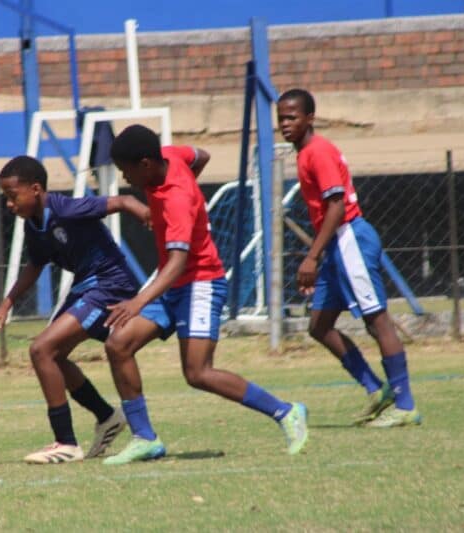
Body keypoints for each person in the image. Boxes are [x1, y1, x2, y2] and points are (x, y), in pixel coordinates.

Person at [102, 125, 309, 465]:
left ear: (144, 164)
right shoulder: (169, 156)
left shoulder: (177, 199)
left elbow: (179, 262)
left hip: (199, 283)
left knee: (198, 373)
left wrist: (138, 301)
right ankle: (145, 438)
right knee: (118, 344)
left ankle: (286, 412)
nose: (126, 179)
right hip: (173, 282)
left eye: (126, 171)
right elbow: (202, 155)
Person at [0, 155, 171, 464]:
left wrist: (143, 211)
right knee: (52, 356)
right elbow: (35, 265)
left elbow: (121, 201)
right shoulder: (34, 223)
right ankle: (106, 417)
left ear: (34, 189)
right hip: (86, 287)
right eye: (5, 197)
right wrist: (6, 303)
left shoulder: (66, 208)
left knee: (40, 349)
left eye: (11, 196)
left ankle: (66, 443)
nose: (8, 204)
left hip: (109, 285)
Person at [276, 88, 421, 427]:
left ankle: (405, 405)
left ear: (310, 117)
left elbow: (337, 207)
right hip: (336, 247)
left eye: (292, 117)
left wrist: (311, 257)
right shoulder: (305, 153)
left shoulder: (318, 152)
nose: (285, 124)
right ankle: (376, 389)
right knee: (319, 325)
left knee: (376, 320)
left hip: (350, 239)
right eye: (281, 118)